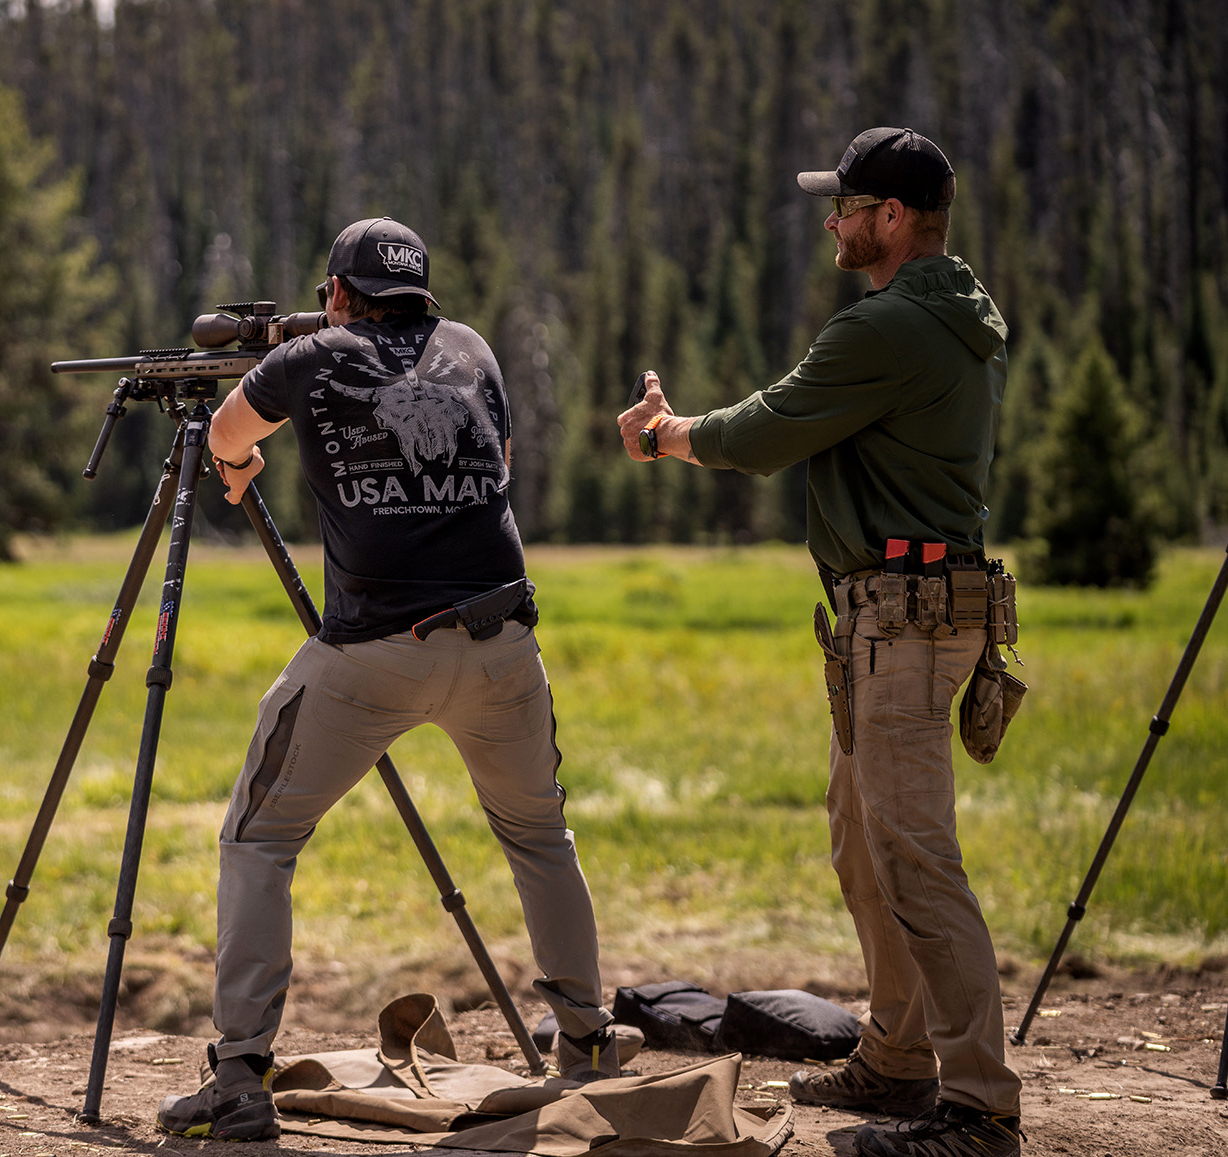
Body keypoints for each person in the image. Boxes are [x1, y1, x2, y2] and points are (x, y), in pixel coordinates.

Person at [158, 217, 619, 1141]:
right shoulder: (474, 349)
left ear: (336, 293)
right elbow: (500, 467)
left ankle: (242, 1070)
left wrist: (242, 465)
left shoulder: (312, 356)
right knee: (539, 834)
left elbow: (229, 433)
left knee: (259, 836)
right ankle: (587, 1037)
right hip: (502, 641)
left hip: (372, 649)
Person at [616, 128, 1023, 1157]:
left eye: (846, 206)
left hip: (901, 616)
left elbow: (763, 432)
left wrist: (666, 434)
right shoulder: (945, 315)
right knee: (863, 843)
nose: (831, 221)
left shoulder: (886, 327)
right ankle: (897, 1056)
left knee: (917, 861)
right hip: (892, 617)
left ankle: (977, 1107)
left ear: (893, 220)